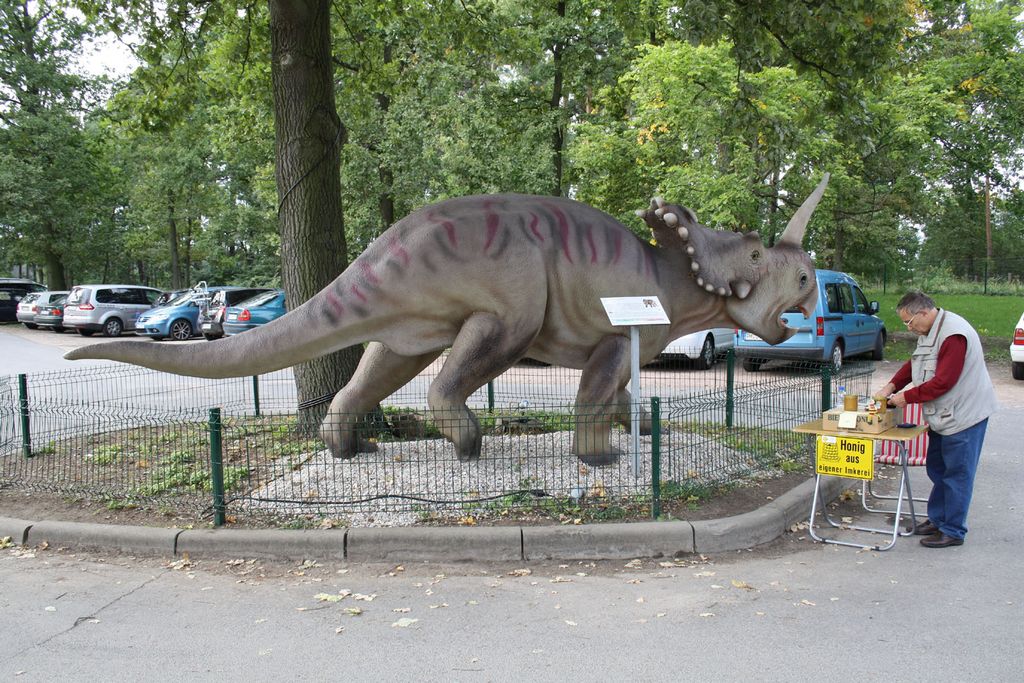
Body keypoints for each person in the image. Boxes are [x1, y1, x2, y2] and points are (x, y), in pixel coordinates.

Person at [873, 292, 998, 548]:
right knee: (939, 469)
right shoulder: (930, 331)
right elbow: (915, 363)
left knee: (957, 474)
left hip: (964, 416)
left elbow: (943, 382)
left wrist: (904, 397)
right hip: (944, 415)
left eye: (908, 322)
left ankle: (953, 530)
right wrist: (891, 386)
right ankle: (938, 519)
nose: (907, 327)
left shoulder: (953, 336)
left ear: (923, 313)